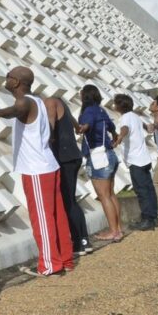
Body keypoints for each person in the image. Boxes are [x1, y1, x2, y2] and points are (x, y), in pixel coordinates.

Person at [0, 67, 74, 277]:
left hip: (36, 170)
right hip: (48, 165)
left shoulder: (25, 102)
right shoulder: (39, 102)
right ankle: (65, 259)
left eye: (8, 77)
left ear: (15, 82)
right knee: (57, 215)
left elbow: (17, 109)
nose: (5, 79)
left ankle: (50, 265)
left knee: (42, 218)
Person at [46, 96, 92, 256]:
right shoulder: (61, 104)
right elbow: (78, 128)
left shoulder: (50, 102)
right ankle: (84, 240)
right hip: (73, 155)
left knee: (68, 201)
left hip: (64, 157)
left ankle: (78, 242)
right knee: (71, 200)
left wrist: (47, 139)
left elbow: (50, 126)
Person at [77, 85, 122, 242]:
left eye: (81, 93)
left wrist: (81, 128)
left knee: (103, 196)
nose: (80, 95)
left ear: (86, 95)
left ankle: (113, 231)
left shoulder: (88, 110)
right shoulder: (101, 110)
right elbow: (112, 127)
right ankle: (118, 229)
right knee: (110, 194)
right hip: (110, 154)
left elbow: (87, 124)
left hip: (98, 156)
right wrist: (115, 136)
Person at [111, 94, 157, 231]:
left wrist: (119, 138)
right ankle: (153, 218)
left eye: (115, 104)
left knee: (141, 190)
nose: (114, 106)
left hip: (135, 160)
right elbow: (144, 126)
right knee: (149, 189)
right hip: (144, 158)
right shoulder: (136, 116)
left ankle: (147, 220)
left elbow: (125, 129)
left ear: (120, 106)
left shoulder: (125, 118)